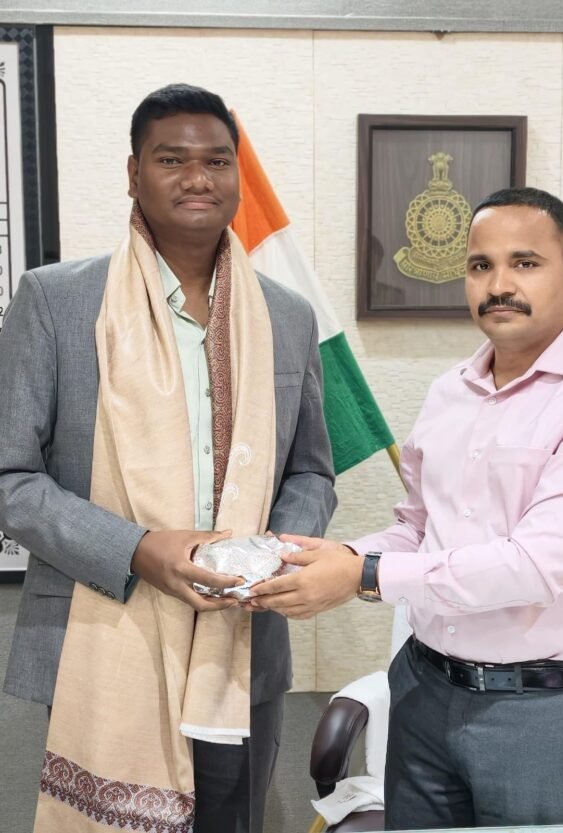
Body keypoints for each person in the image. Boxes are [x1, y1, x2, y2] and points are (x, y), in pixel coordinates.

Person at [248, 187, 563, 829]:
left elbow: (535, 565)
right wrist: (334, 555)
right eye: (480, 266)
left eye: (525, 263)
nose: (499, 285)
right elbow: (420, 528)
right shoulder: (451, 391)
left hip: (542, 714)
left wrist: (361, 576)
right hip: (425, 692)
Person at [0, 83, 336, 833]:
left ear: (236, 176)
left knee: (232, 820)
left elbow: (311, 469)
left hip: (240, 634)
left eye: (216, 161)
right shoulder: (56, 301)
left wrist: (272, 554)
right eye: (171, 160)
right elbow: (10, 477)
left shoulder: (285, 315)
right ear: (133, 173)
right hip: (101, 626)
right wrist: (138, 549)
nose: (196, 178)